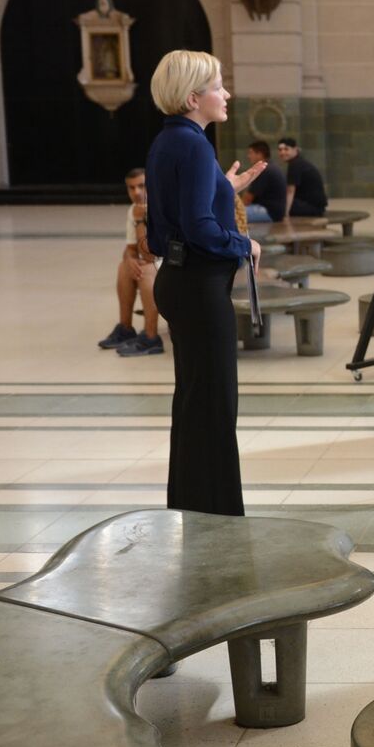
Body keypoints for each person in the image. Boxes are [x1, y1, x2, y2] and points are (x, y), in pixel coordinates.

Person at [146, 50, 264, 517]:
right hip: (198, 287)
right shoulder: (196, 146)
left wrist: (221, 189)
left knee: (195, 403)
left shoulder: (168, 139)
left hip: (176, 280)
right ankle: (219, 519)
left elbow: (167, 225)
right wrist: (243, 245)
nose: (226, 93)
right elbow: (200, 230)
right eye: (218, 86)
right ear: (194, 98)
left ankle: (192, 509)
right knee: (215, 407)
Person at [97, 168, 164, 356]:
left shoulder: (162, 207)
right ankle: (125, 328)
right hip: (153, 260)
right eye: (131, 188)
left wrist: (139, 221)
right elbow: (131, 249)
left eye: (141, 186)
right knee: (125, 267)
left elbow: (150, 255)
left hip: (174, 263)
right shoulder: (133, 210)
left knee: (147, 270)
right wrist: (129, 259)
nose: (136, 192)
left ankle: (151, 338)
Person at [277, 136, 327, 217]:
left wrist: (285, 213)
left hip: (312, 207)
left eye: (286, 149)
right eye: (280, 150)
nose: (282, 152)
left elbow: (290, 191)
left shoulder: (295, 164)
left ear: (295, 149)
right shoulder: (298, 162)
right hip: (314, 206)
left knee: (276, 205)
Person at [241, 141, 286, 222]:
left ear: (260, 154)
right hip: (275, 211)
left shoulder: (264, 169)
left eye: (251, 153)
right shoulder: (270, 166)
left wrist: (237, 208)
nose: (248, 156)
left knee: (232, 214)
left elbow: (248, 199)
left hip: (270, 212)